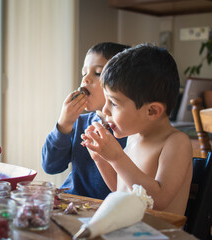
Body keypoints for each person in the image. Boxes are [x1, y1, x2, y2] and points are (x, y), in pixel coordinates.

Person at [81, 43, 193, 215]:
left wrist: (117, 158)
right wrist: (101, 160)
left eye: (114, 103)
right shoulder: (134, 138)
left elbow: (158, 201)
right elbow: (123, 192)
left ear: (152, 111)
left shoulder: (176, 143)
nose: (105, 110)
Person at [42, 42, 129, 199]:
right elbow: (50, 166)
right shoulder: (79, 122)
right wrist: (64, 124)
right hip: (73, 202)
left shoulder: (129, 129)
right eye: (84, 73)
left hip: (106, 208)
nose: (85, 79)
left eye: (97, 73)